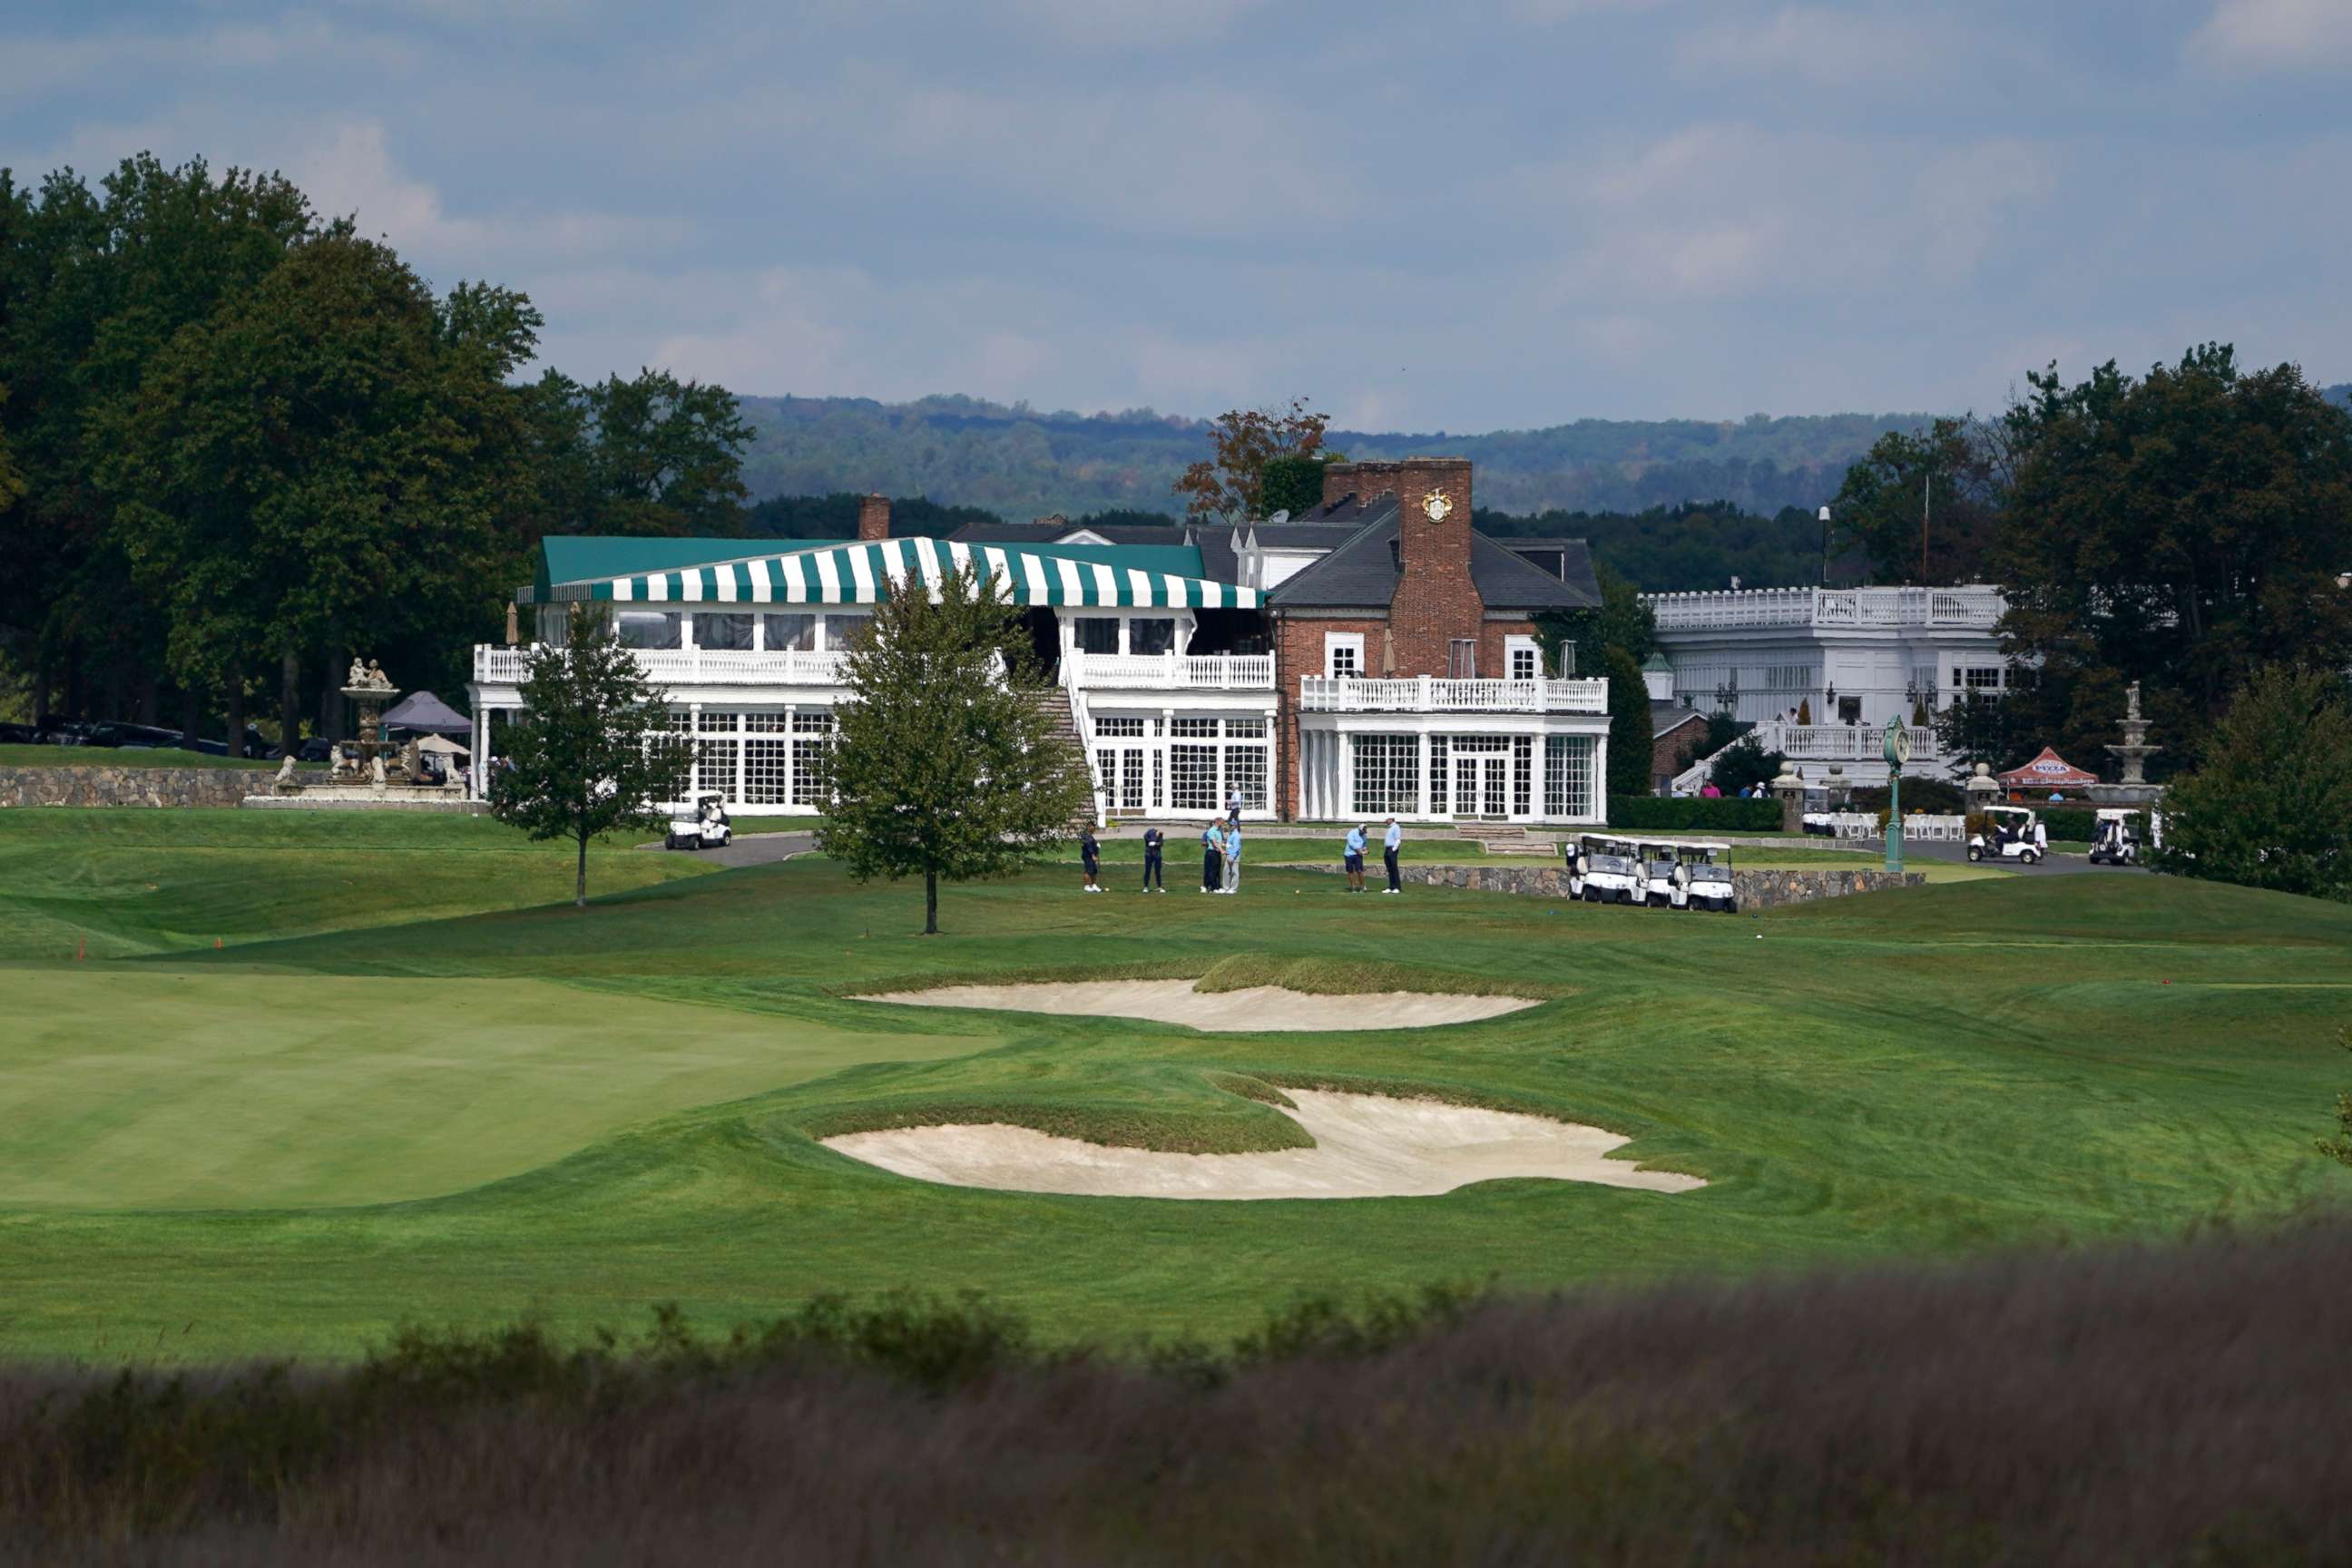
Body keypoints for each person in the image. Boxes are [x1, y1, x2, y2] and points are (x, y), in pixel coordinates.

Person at [1343, 823, 1367, 892]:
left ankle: (1362, 887)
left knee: (1359, 871)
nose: (1364, 833)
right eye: (1363, 831)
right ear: (1359, 829)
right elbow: (1350, 843)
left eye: (1365, 831)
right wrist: (1358, 850)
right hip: (1349, 854)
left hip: (1358, 855)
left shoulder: (1364, 835)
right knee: (1350, 871)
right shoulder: (1352, 832)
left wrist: (1365, 850)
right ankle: (1353, 887)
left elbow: (1364, 844)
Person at [1200, 820, 1223, 894]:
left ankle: (1217, 886)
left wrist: (1224, 846)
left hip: (1217, 852)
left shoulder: (1219, 831)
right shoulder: (1209, 832)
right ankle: (1208, 886)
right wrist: (1221, 849)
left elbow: (1220, 842)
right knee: (1209, 871)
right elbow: (1211, 843)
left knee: (1216, 870)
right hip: (1211, 852)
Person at [1141, 825, 1165, 892]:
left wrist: (1155, 844)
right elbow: (1146, 838)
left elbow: (1161, 843)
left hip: (1157, 855)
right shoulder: (1149, 834)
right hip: (1149, 854)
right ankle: (1146, 887)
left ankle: (1159, 887)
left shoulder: (1160, 835)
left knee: (1158, 871)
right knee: (1147, 871)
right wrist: (1150, 842)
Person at [1382, 817, 1403, 894]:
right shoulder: (1390, 828)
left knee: (1394, 868)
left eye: (1387, 819)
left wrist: (1393, 850)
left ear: (1391, 819)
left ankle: (1397, 887)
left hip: (1392, 849)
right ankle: (1391, 887)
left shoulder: (1396, 827)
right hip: (1387, 849)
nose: (1386, 821)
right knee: (1389, 869)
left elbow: (1398, 840)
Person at [1221, 820, 1242, 894]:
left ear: (1235, 826)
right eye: (1230, 825)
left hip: (1234, 856)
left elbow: (1236, 847)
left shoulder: (1236, 835)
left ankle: (1233, 888)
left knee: (1234, 872)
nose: (1230, 827)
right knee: (1226, 871)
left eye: (1232, 825)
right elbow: (1230, 845)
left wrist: (1232, 856)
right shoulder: (1231, 834)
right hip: (1228, 854)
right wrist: (1225, 845)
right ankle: (1226, 887)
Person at [1080, 827, 1102, 892]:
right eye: (1093, 828)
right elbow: (1089, 846)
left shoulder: (1090, 836)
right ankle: (1086, 886)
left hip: (1092, 855)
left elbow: (1093, 843)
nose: (1094, 829)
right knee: (1089, 871)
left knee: (1094, 871)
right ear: (1089, 827)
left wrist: (1096, 844)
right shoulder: (1086, 836)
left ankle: (1094, 885)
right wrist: (1093, 855)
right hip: (1088, 856)